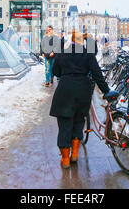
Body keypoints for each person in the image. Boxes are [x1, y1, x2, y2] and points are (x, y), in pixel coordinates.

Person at [50, 31, 112, 169]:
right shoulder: (88, 54)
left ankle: (65, 160)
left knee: (65, 125)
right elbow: (97, 74)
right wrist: (106, 90)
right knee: (78, 122)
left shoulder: (63, 53)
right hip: (82, 90)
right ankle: (75, 155)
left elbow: (55, 72)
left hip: (65, 90)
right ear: (81, 41)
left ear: (71, 40)